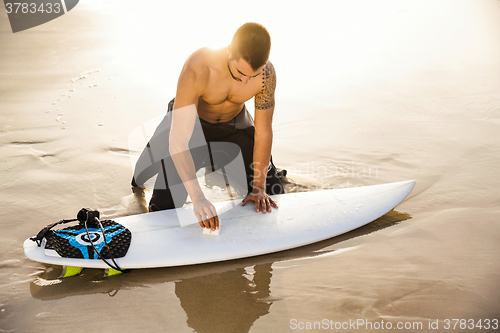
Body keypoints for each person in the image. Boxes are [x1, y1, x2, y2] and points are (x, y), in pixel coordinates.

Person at [132, 22, 284, 232]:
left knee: (273, 196)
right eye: (240, 72)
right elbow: (178, 139)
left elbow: (264, 132)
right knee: (162, 209)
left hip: (236, 126)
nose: (245, 80)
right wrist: (198, 198)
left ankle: (229, 171)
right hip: (192, 127)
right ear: (230, 51)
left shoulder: (266, 75)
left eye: (252, 75)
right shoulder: (199, 67)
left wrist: (258, 187)